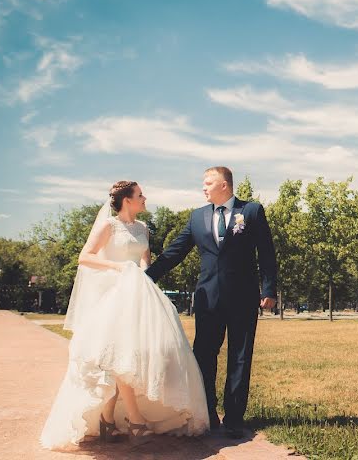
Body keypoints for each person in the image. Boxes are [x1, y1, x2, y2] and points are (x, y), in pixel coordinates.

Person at [39, 181, 209, 449]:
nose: (145, 198)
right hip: (111, 297)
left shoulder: (143, 229)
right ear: (127, 200)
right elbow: (85, 257)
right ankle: (135, 420)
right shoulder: (109, 226)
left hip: (138, 297)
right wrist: (120, 269)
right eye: (140, 195)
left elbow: (145, 261)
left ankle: (108, 419)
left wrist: (141, 273)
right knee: (117, 356)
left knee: (138, 354)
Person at [145, 167, 277, 439]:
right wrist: (146, 277)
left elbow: (266, 252)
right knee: (204, 354)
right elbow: (174, 253)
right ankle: (208, 410)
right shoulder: (197, 217)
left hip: (243, 296)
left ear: (225, 186)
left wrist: (269, 289)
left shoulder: (251, 211)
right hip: (207, 298)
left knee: (240, 356)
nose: (203, 188)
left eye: (208, 183)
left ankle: (234, 418)